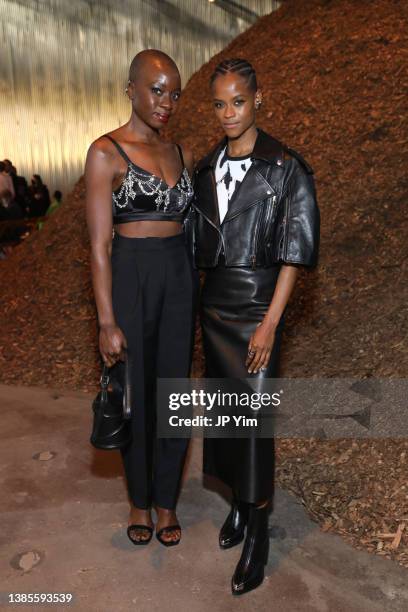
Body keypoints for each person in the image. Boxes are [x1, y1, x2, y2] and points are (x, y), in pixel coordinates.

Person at [190, 58, 320, 595]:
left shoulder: (287, 167)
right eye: (219, 103)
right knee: (224, 417)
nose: (228, 113)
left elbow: (294, 254)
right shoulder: (204, 169)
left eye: (238, 101)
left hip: (258, 307)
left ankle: (259, 532)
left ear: (258, 99)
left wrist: (269, 324)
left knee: (256, 427)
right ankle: (241, 509)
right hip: (215, 304)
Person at [85, 50, 197, 547]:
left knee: (175, 389)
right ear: (130, 87)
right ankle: (138, 500)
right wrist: (106, 320)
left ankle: (167, 500)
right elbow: (97, 245)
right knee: (134, 390)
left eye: (174, 92)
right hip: (131, 270)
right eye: (156, 89)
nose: (166, 101)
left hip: (179, 274)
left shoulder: (181, 153)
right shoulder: (106, 152)